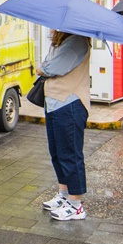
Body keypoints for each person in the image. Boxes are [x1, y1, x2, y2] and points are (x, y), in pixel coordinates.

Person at [37, 31, 92, 221]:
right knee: (57, 153)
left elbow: (51, 68)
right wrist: (45, 66)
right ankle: (63, 194)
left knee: (70, 154)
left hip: (70, 104)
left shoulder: (77, 41)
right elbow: (48, 63)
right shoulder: (61, 42)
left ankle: (76, 204)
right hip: (54, 103)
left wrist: (42, 68)